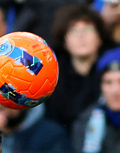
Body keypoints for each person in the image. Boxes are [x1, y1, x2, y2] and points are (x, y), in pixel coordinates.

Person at [42, 3, 112, 134]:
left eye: (88, 29)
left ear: (100, 38)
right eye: (73, 30)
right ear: (64, 40)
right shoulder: (52, 75)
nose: (81, 36)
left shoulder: (112, 71)